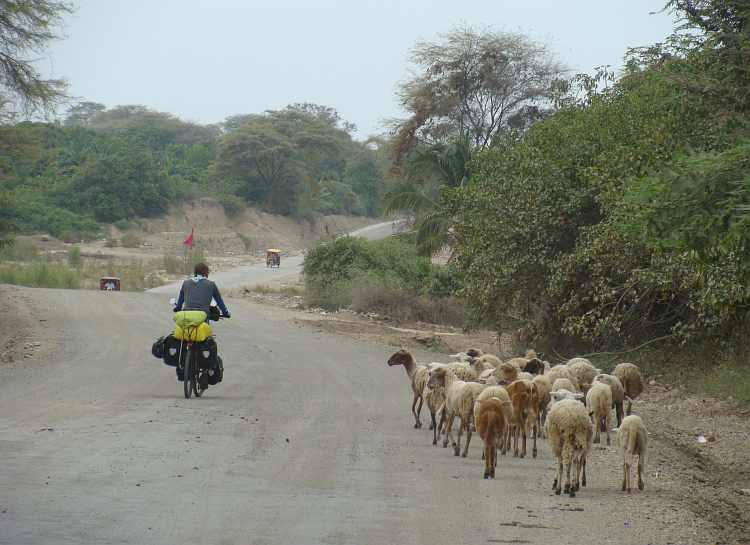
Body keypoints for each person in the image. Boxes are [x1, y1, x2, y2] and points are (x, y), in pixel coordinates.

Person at [173, 262, 230, 387]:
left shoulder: (186, 284)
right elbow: (219, 302)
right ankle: (204, 375)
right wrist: (225, 312)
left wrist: (177, 308)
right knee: (205, 342)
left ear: (194, 273)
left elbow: (180, 301)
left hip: (186, 318)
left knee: (183, 338)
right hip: (202, 318)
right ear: (206, 273)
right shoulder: (211, 285)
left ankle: (182, 364)